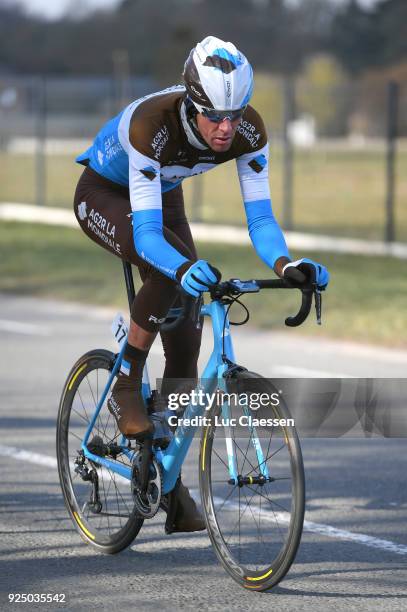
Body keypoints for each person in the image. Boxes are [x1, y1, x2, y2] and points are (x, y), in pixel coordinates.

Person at [73, 35, 329, 532]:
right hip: (105, 192)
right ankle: (126, 380)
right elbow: (147, 236)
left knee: (187, 340)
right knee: (173, 272)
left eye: (235, 114)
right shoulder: (153, 126)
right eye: (214, 116)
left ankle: (164, 474)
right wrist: (181, 268)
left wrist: (285, 264)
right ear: (192, 104)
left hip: (161, 194)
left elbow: (261, 220)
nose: (226, 127)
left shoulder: (247, 129)